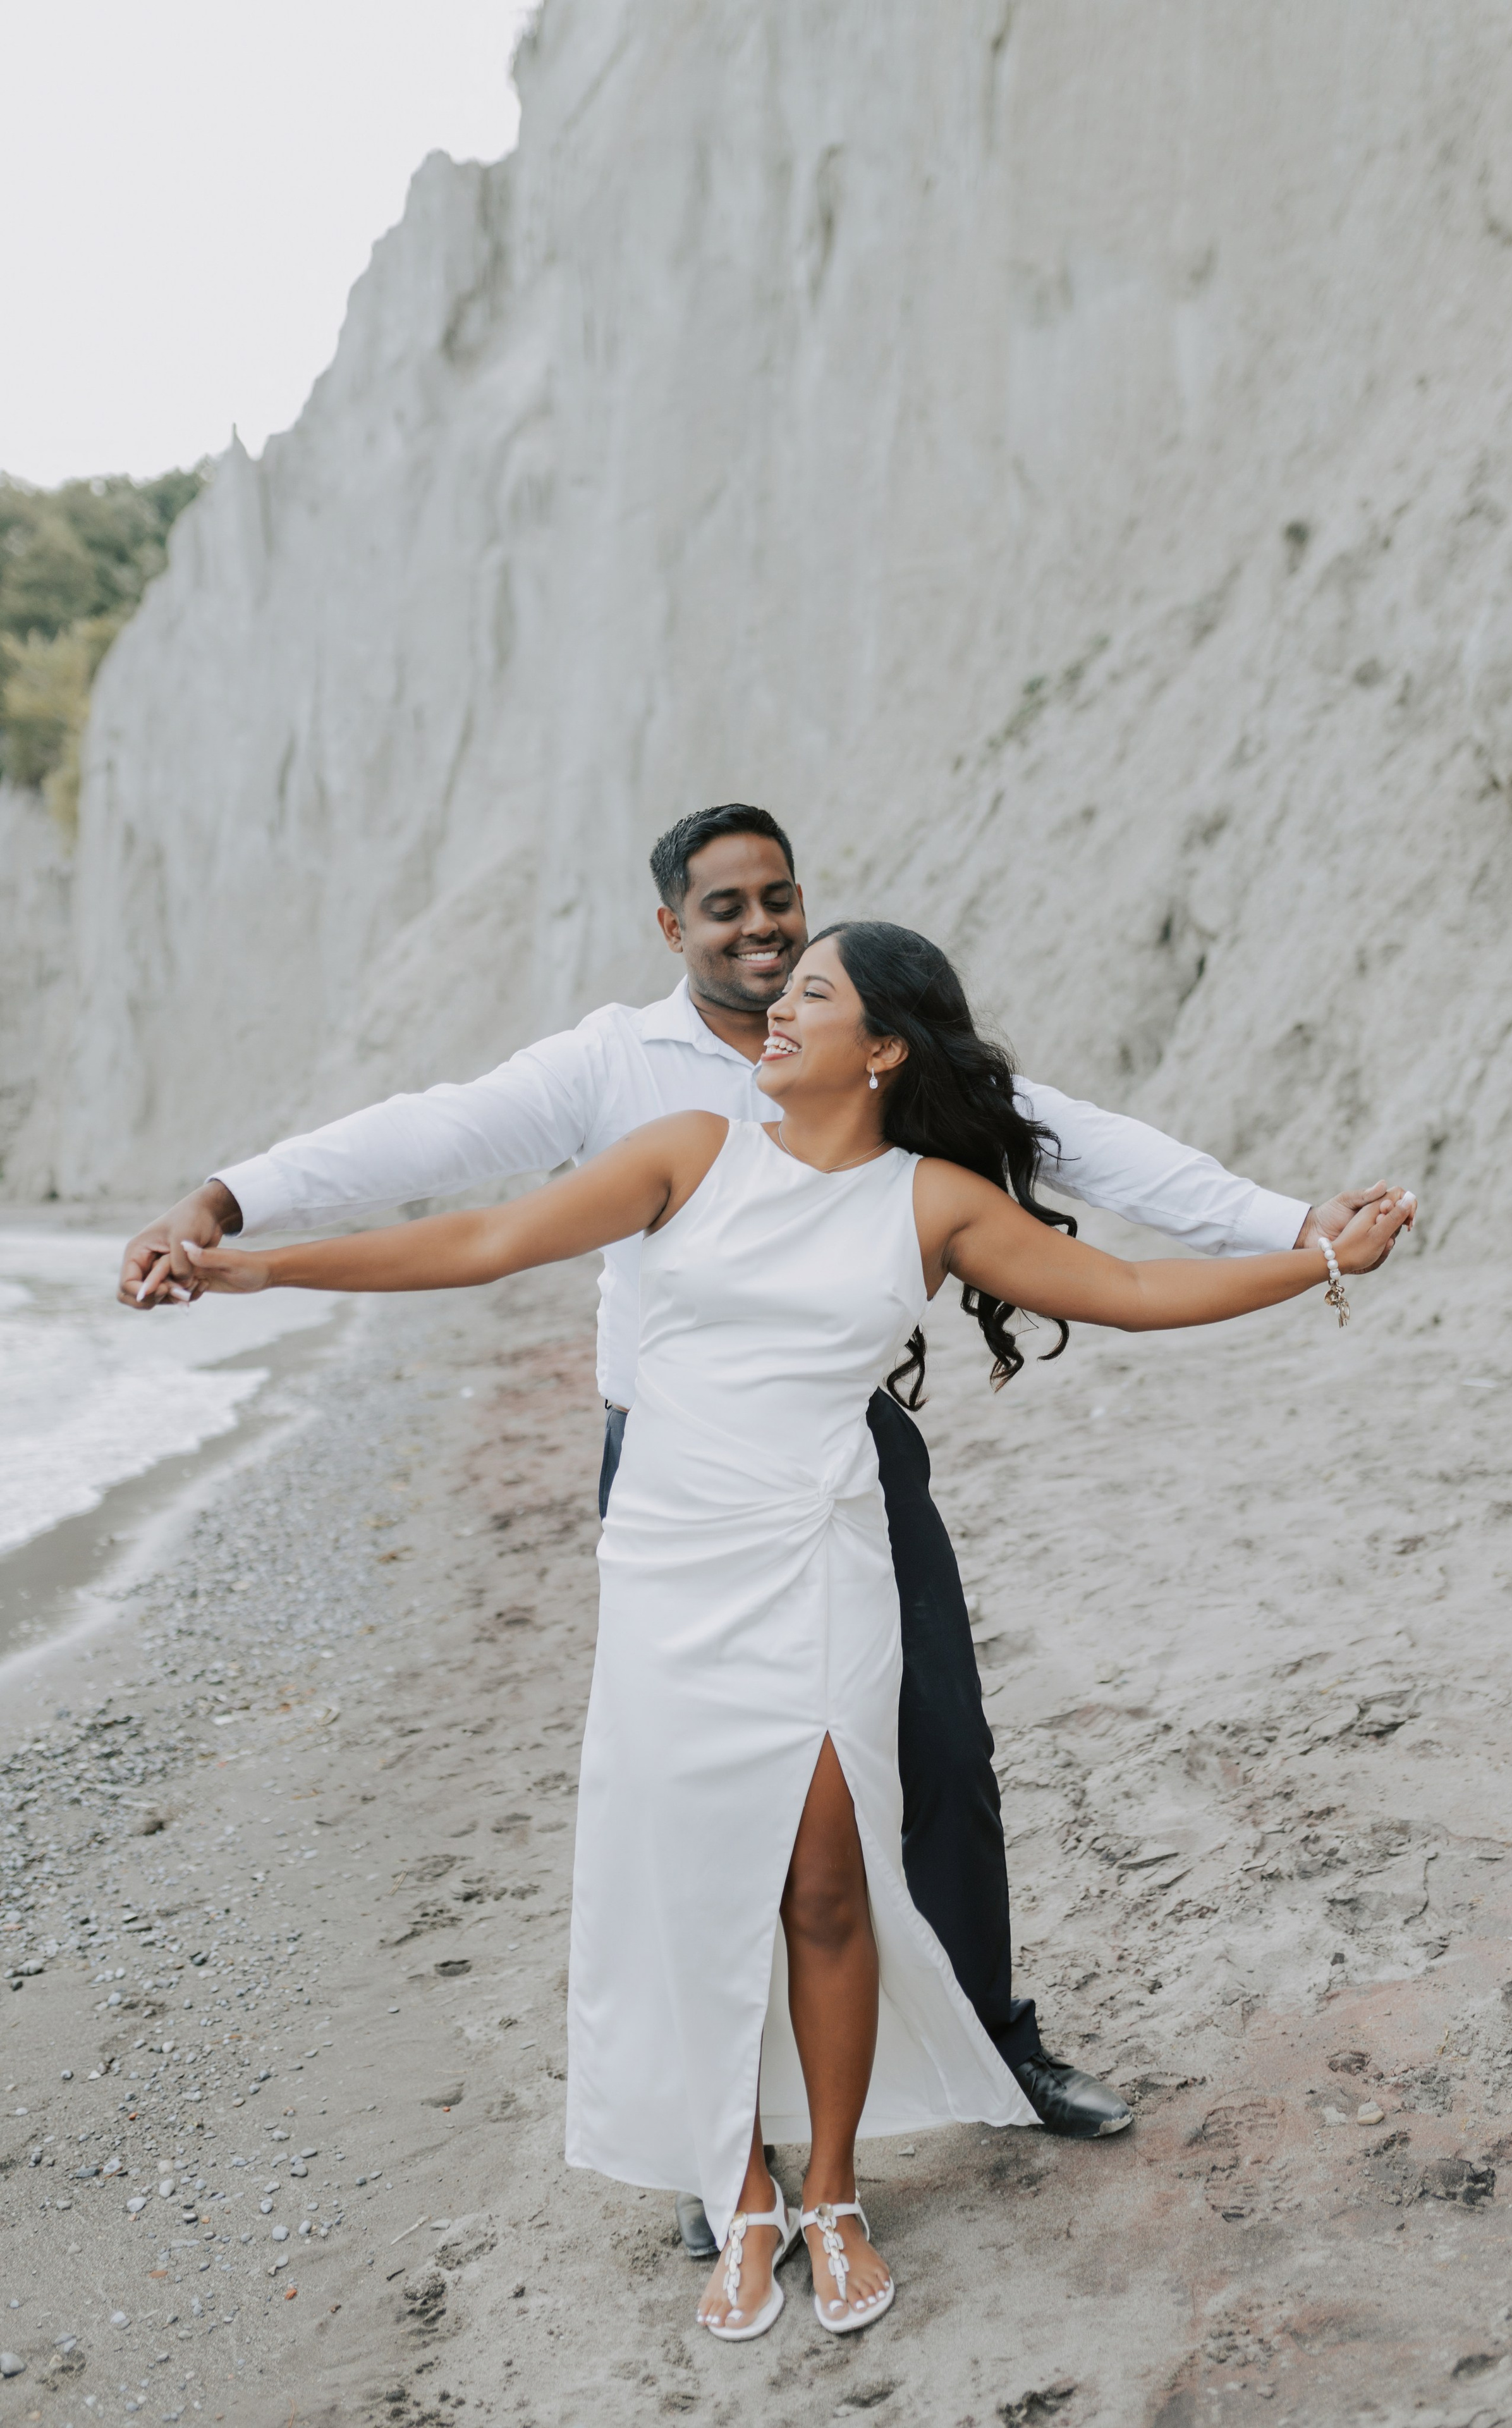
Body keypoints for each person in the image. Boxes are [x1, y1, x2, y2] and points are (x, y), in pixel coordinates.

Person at [119, 803, 1413, 2257]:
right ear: (672, 928)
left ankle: (987, 2045)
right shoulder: (633, 1081)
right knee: (690, 1816)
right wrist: (235, 1222)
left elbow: (1096, 1183)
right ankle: (717, 2137)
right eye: (727, 909)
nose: (763, 932)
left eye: (781, 907)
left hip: (836, 1470)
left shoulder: (896, 1108)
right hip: (670, 1478)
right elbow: (438, 1159)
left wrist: (1295, 1236)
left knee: (934, 1755)